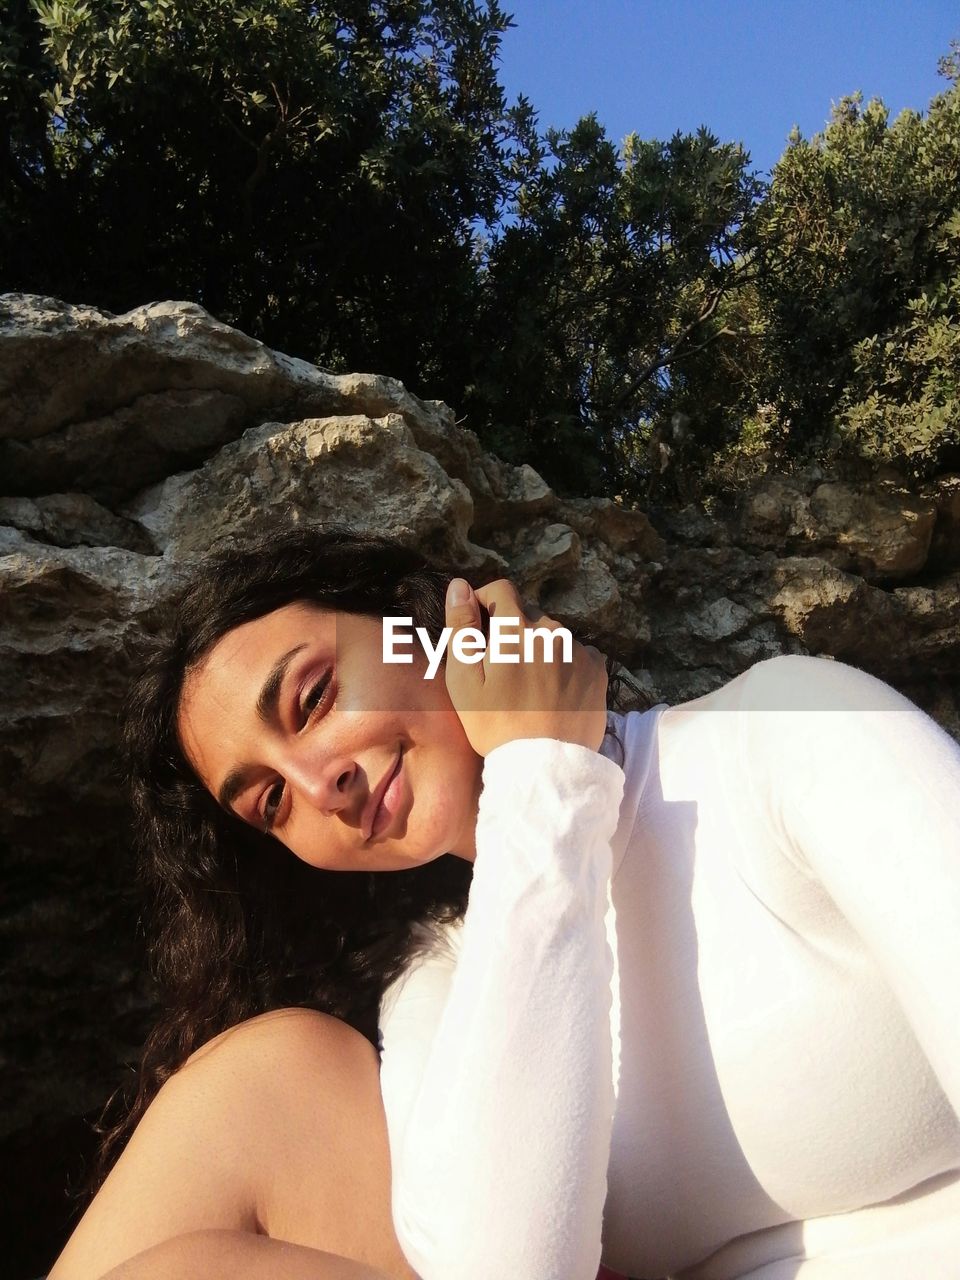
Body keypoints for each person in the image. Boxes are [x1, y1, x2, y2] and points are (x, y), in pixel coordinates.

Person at [50, 523, 960, 1279]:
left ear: (421, 625)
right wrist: (547, 782)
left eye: (315, 696)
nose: (317, 784)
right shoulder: (438, 984)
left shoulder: (780, 740)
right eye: (271, 803)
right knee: (253, 1091)